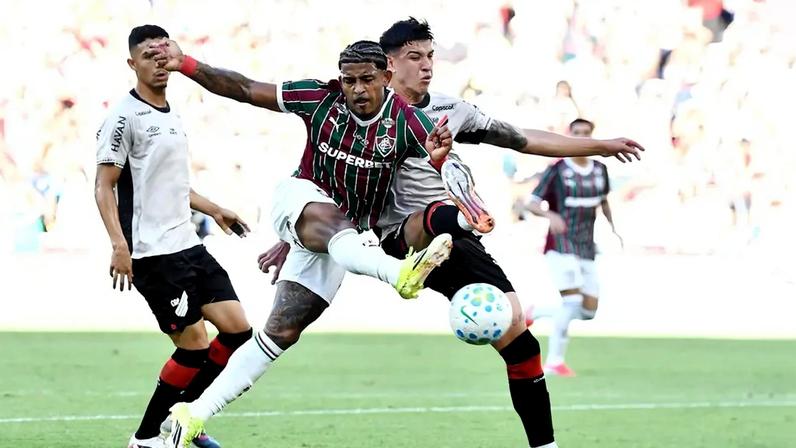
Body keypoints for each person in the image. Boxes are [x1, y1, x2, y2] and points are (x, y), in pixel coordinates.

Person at [258, 18, 645, 448]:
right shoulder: (358, 111)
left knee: (519, 340)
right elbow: (320, 179)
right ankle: (453, 228)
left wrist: (600, 146)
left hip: (454, 239)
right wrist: (291, 235)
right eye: (414, 57)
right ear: (389, 65)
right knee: (439, 224)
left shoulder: (449, 110)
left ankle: (544, 444)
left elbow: (519, 138)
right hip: (402, 233)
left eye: (430, 56)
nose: (427, 66)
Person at [145, 39, 456, 447]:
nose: (357, 89)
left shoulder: (408, 123)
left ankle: (192, 415)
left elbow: (447, 169)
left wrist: (440, 162)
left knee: (281, 333)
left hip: (341, 239)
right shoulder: (320, 98)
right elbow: (244, 88)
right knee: (336, 224)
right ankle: (398, 273)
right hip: (299, 198)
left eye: (366, 79)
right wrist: (186, 63)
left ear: (386, 76)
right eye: (349, 80)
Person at [94, 25, 254, 448]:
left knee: (238, 331)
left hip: (188, 244)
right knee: (194, 347)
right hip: (153, 253)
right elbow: (104, 185)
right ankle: (145, 437)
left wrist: (214, 208)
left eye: (164, 53)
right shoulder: (123, 117)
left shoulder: (171, 113)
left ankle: (182, 416)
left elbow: (173, 185)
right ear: (132, 64)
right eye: (149, 55)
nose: (159, 62)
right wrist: (119, 244)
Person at [524, 118, 620, 377]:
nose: (581, 137)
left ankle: (535, 312)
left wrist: (613, 228)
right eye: (576, 133)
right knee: (571, 302)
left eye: (586, 133)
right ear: (569, 135)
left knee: (588, 311)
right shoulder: (557, 169)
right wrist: (550, 215)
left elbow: (604, 201)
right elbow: (531, 203)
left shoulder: (599, 169)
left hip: (587, 247)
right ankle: (554, 362)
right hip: (560, 245)